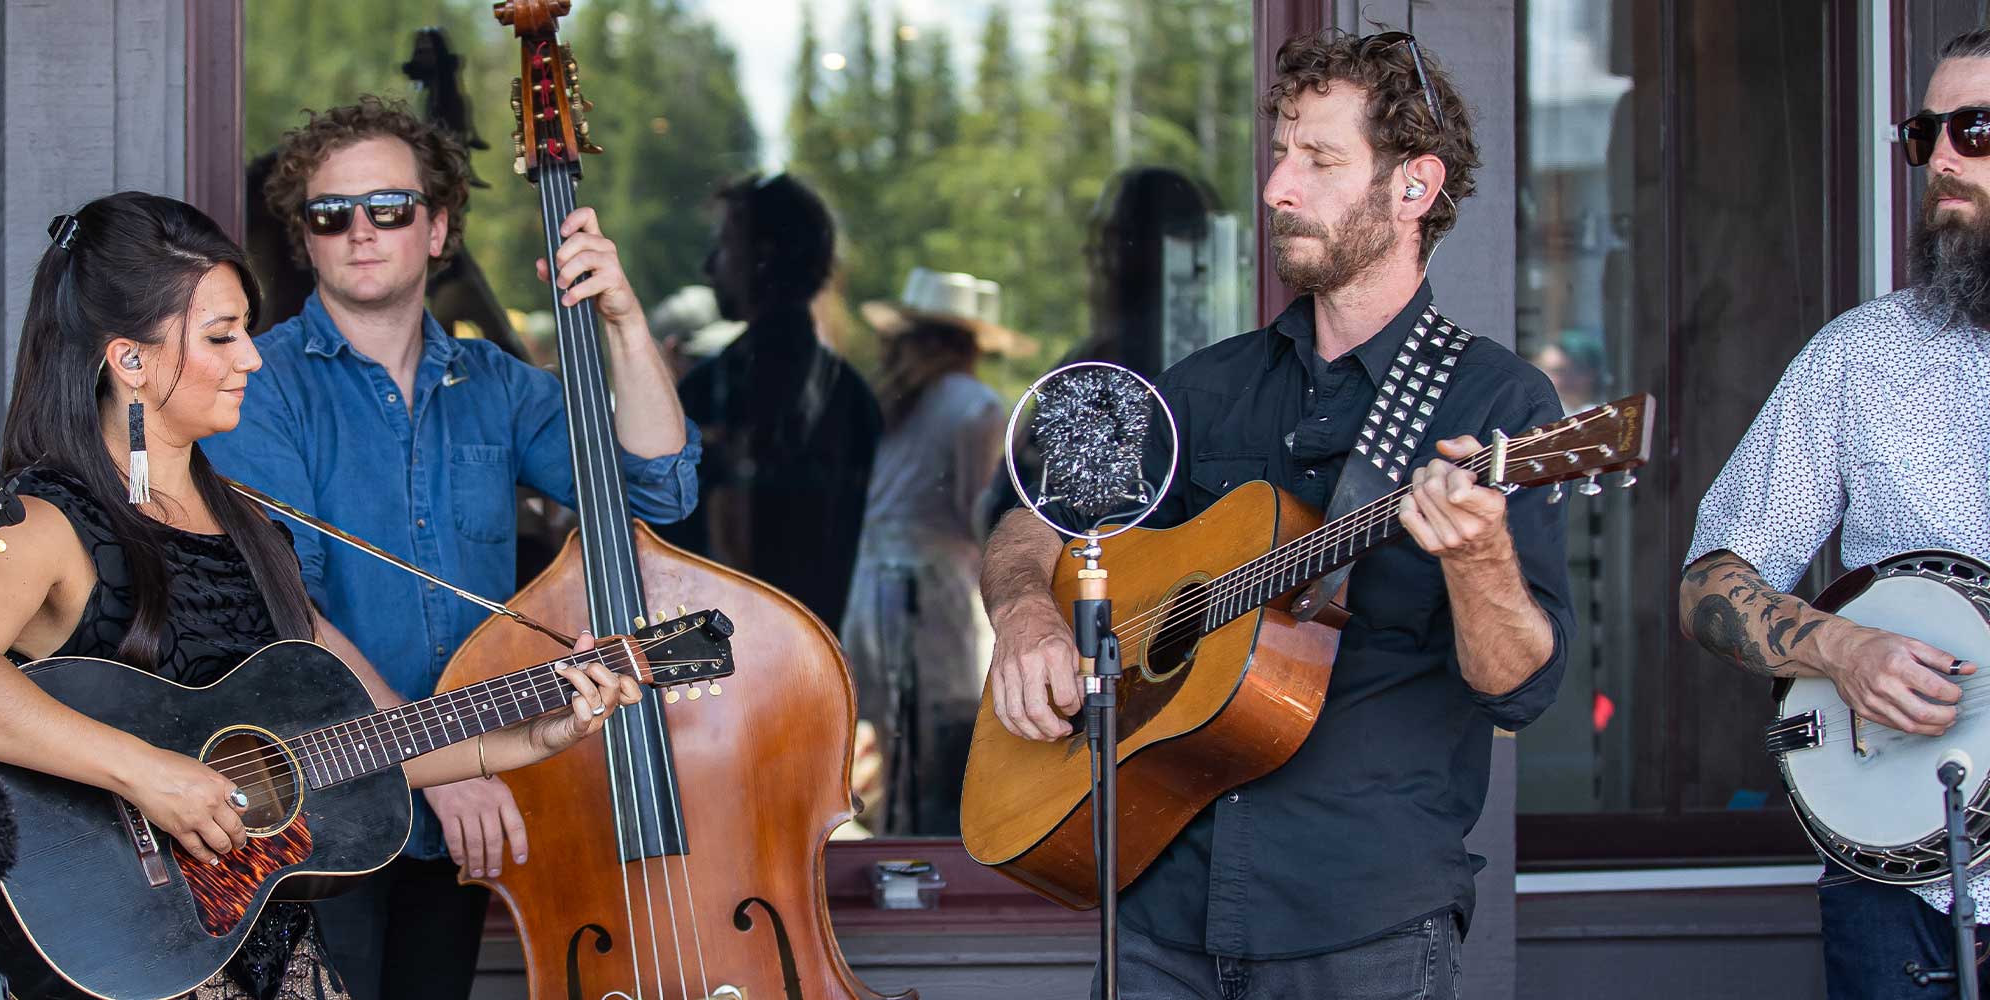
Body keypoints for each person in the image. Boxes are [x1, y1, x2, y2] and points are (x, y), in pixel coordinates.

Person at [0, 190, 646, 1000]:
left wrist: (538, 732)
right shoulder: (48, 519)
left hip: (261, 940)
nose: (252, 358)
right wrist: (148, 773)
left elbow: (366, 734)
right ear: (130, 361)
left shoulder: (253, 528)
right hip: (126, 942)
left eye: (246, 334)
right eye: (221, 337)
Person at [978, 32, 1572, 999]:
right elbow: (1030, 523)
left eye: (1320, 160)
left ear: (1414, 187)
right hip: (1157, 909)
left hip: (1361, 925)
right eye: (1281, 153)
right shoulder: (1202, 387)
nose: (1276, 189)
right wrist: (1025, 616)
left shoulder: (1498, 408)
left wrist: (1479, 558)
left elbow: (1519, 691)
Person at [201, 95, 697, 1000]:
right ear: (304, 237)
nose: (360, 231)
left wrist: (621, 321)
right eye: (330, 214)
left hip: (471, 811)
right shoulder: (257, 389)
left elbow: (657, 485)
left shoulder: (498, 388)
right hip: (324, 806)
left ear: (437, 230)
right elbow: (285, 613)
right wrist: (443, 766)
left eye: (389, 209)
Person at [1678, 29, 1990, 999]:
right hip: (1897, 898)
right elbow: (1708, 585)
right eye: (1921, 134)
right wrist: (1840, 652)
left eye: (1971, 130)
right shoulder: (1859, 359)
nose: (1937, 158)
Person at [840, 269, 1030, 836]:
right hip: (929, 588)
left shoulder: (896, 401)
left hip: (871, 582)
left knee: (893, 732)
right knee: (937, 735)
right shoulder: (973, 405)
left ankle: (896, 841)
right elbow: (981, 512)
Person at [660, 173, 882, 635]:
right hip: (815, 656)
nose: (708, 266)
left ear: (764, 257)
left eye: (724, 245)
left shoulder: (715, 388)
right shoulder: (852, 396)